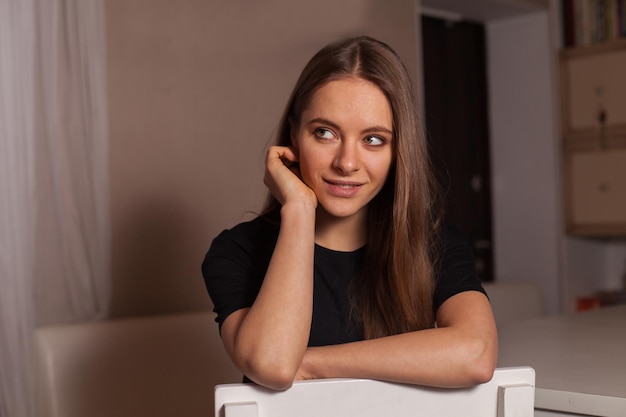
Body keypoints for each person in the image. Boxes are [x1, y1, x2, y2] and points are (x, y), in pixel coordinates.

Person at [202, 36, 498, 391]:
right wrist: (298, 209)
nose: (346, 163)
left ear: (397, 151)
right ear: (295, 135)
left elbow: (476, 354)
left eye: (373, 139)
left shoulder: (434, 243)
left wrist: (312, 365)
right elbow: (275, 366)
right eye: (325, 133)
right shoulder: (237, 252)